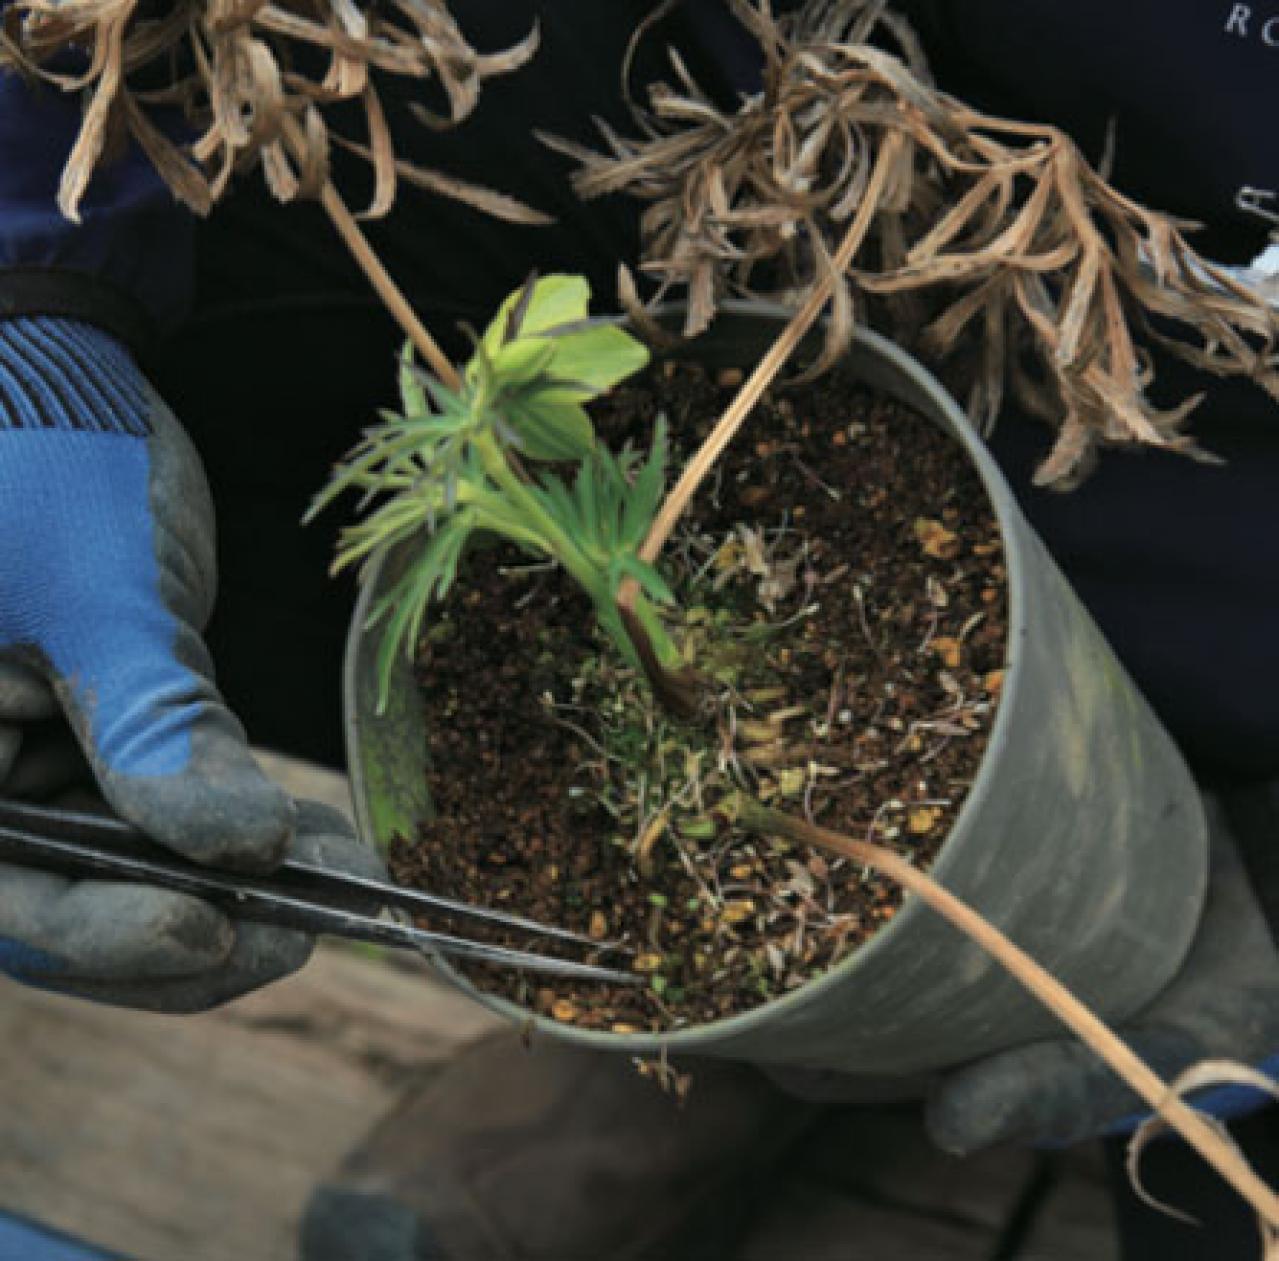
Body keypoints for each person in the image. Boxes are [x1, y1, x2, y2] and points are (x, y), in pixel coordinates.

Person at [1, 2, 1277, 1258]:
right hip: (757, 197)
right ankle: (702, 1029)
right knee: (267, 220)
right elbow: (83, 37)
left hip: (1208, 522)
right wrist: (33, 317)